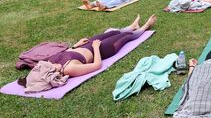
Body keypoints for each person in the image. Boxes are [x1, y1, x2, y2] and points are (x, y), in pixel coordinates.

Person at [19, 15, 157, 91]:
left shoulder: (50, 62)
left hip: (87, 44)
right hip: (102, 50)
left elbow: (67, 52)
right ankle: (145, 26)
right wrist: (96, 48)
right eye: (46, 68)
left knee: (111, 32)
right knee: (126, 37)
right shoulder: (69, 69)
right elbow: (97, 65)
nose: (46, 64)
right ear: (52, 73)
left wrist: (75, 45)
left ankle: (132, 26)